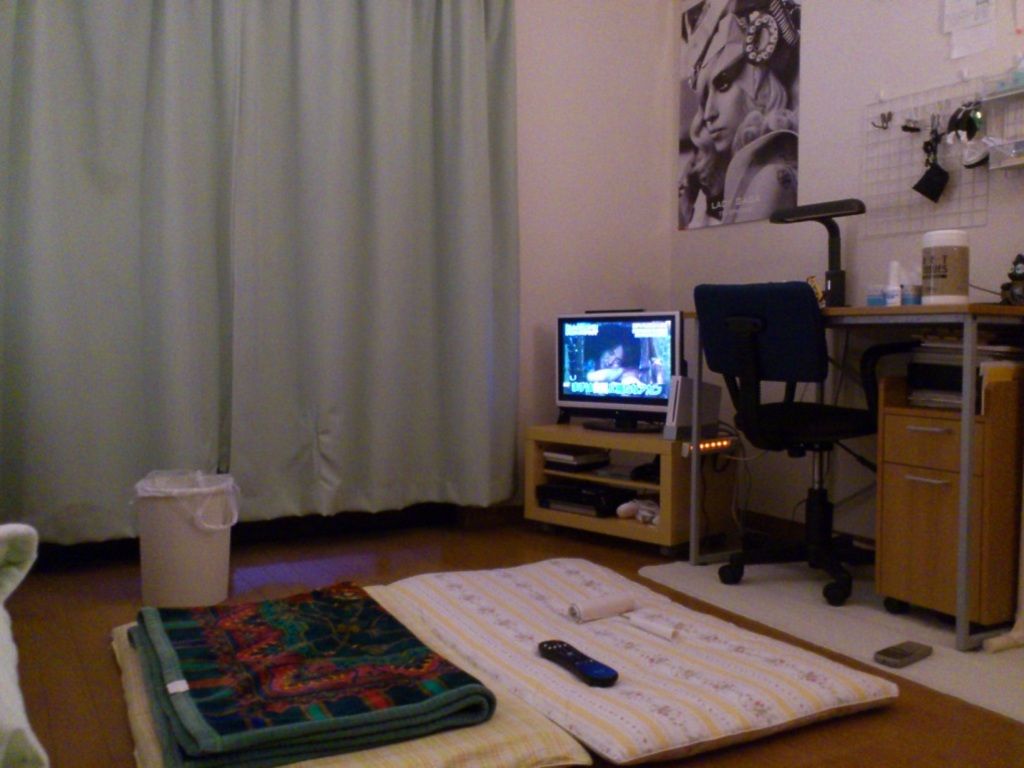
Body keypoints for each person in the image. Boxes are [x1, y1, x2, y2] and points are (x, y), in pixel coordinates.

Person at [679, 0, 799, 228]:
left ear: (760, 84)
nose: (708, 113)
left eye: (723, 85)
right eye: (704, 98)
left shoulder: (770, 177)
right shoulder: (738, 174)